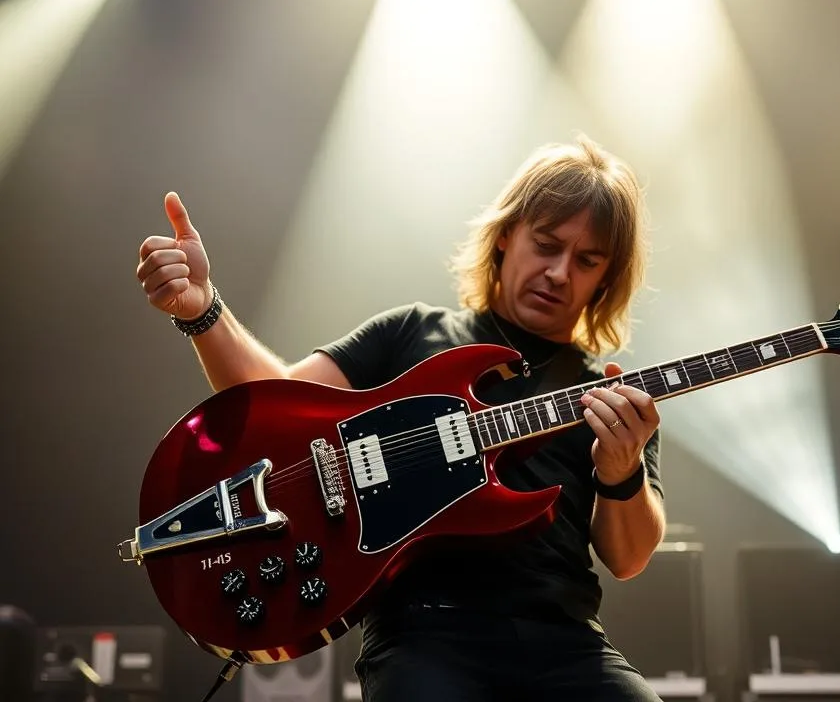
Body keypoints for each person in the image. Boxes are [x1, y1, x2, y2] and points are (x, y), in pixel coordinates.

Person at [136, 134, 666, 701]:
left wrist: (622, 467)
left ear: (606, 278)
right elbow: (272, 399)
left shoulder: (609, 397)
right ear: (506, 235)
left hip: (567, 643)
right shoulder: (415, 333)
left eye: (586, 261)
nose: (560, 273)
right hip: (425, 634)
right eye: (546, 244)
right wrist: (204, 310)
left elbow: (628, 557)